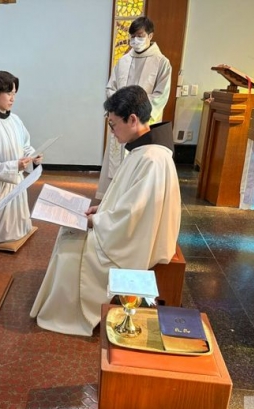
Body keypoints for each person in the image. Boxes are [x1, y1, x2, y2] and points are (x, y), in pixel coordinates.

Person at [30, 86, 181, 336]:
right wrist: (101, 209)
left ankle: (67, 314)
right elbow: (130, 200)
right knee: (68, 232)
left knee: (70, 248)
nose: (112, 131)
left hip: (133, 241)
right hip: (124, 228)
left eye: (113, 124)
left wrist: (96, 222)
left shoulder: (151, 158)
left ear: (132, 119)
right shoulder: (143, 149)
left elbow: (134, 216)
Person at [96, 16, 172, 199]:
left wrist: (136, 112)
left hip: (141, 123)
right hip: (122, 121)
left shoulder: (161, 62)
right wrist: (121, 109)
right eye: (132, 36)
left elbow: (161, 95)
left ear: (150, 35)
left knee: (140, 166)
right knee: (116, 164)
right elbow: (110, 88)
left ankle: (132, 199)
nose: (135, 40)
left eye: (140, 35)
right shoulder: (123, 61)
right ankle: (112, 200)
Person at [0, 70, 42, 245]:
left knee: (18, 229)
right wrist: (15, 166)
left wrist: (32, 156)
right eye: (9, 94)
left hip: (16, 184)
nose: (13, 99)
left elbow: (25, 145)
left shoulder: (14, 120)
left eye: (14, 94)